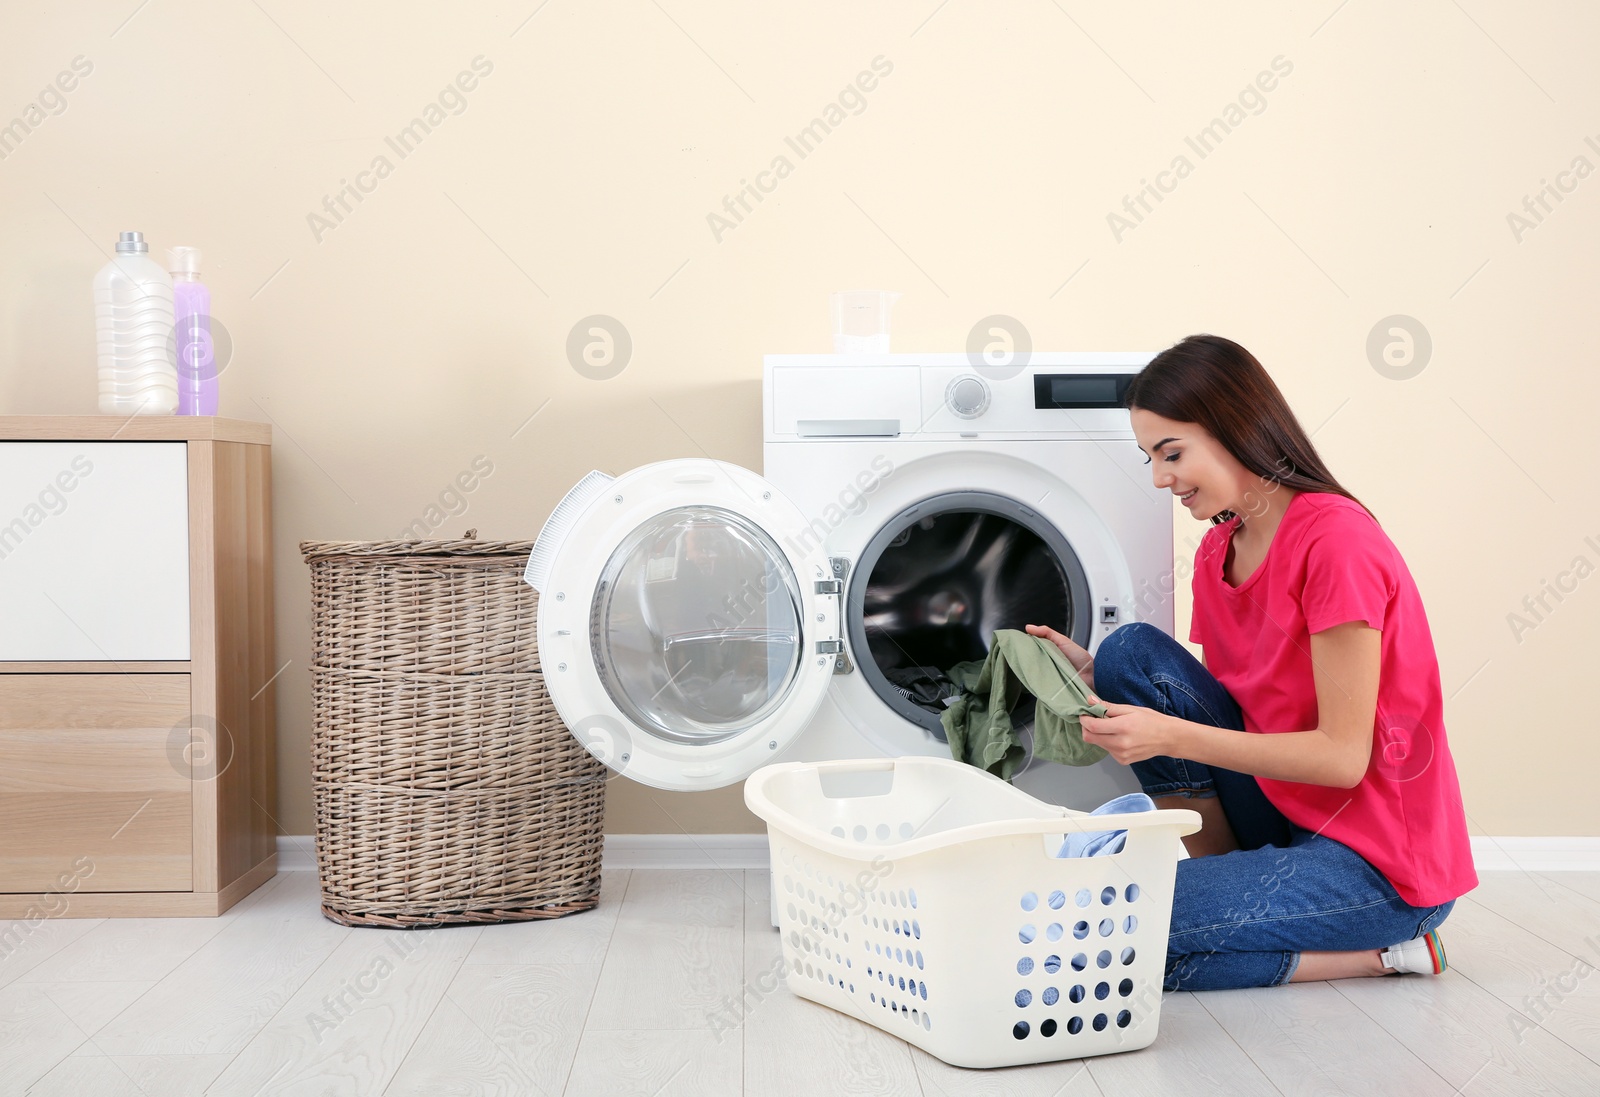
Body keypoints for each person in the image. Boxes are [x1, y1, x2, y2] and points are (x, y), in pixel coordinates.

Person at [1026, 333, 1475, 991]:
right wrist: (1098, 678)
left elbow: (1343, 757)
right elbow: (1237, 712)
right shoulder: (1217, 555)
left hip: (1381, 867)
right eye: (1149, 456)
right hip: (1285, 816)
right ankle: (1233, 886)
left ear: (1235, 429)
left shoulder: (1336, 542)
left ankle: (1385, 949)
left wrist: (1169, 734)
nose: (1159, 478)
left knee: (1110, 927)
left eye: (1172, 453)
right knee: (1127, 654)